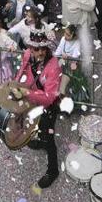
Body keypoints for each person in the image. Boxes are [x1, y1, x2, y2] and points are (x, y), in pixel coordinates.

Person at [17, 29, 62, 189]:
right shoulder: (28, 54)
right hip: (33, 101)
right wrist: (17, 86)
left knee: (49, 138)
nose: (40, 52)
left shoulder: (54, 66)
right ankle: (41, 141)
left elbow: (49, 97)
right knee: (37, 127)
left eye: (43, 48)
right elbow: (22, 71)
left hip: (49, 107)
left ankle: (53, 170)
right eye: (37, 48)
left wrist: (27, 93)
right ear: (31, 47)